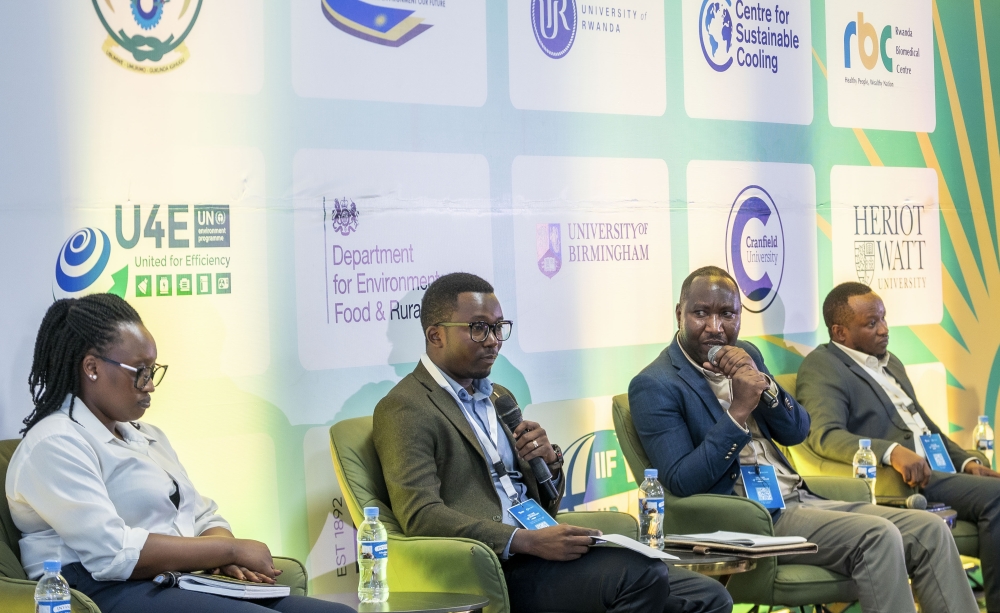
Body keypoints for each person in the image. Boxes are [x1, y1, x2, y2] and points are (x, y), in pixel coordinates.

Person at [373, 272, 732, 613]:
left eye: (498, 328)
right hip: (494, 565)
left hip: (540, 548)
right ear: (436, 335)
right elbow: (420, 516)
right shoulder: (406, 407)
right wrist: (523, 541)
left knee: (707, 595)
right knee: (641, 576)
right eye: (479, 328)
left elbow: (542, 500)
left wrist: (549, 465)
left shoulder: (498, 397)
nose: (494, 340)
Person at [628, 266, 978, 613]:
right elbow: (681, 480)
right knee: (879, 536)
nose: (715, 327)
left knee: (931, 530)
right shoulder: (656, 384)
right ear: (679, 314)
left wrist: (765, 386)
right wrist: (737, 412)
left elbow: (796, 431)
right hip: (751, 516)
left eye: (727, 314)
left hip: (800, 497)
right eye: (701, 313)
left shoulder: (747, 354)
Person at [6, 294, 351, 613]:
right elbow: (112, 554)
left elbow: (203, 517)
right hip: (102, 591)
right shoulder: (54, 443)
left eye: (153, 370)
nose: (150, 384)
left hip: (176, 580)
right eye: (139, 372)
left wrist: (220, 553)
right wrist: (227, 551)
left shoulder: (147, 436)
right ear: (92, 367)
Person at [797, 281, 1000, 612]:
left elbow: (927, 427)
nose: (884, 330)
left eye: (883, 319)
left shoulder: (890, 362)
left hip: (938, 468)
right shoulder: (823, 366)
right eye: (871, 323)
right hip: (906, 478)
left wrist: (966, 463)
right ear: (840, 332)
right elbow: (825, 435)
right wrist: (889, 452)